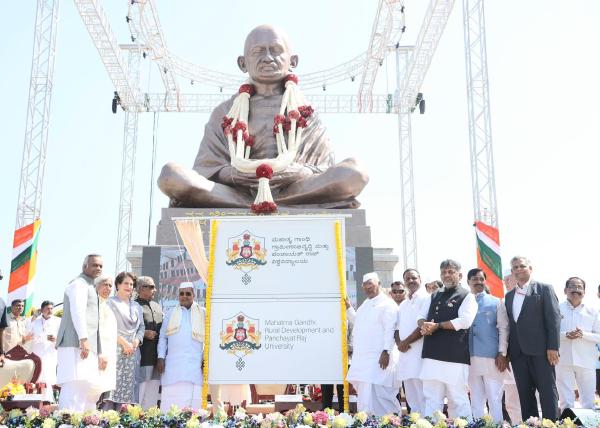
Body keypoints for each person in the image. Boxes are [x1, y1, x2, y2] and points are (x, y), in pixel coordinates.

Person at [158, 25, 368, 209]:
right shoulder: (225, 112)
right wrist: (233, 174)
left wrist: (298, 172)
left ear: (293, 61)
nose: (268, 57)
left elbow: (323, 168)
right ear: (242, 63)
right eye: (258, 51)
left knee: (353, 173)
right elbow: (206, 169)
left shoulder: (304, 111)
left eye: (276, 50)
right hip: (235, 191)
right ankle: (260, 204)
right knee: (171, 175)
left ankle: (260, 205)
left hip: (295, 189)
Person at [418, 259, 477, 419]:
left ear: (460, 275)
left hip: (454, 356)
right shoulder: (433, 295)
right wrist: (424, 325)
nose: (446, 275)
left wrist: (438, 326)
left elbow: (465, 321)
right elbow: (421, 316)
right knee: (431, 398)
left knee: (458, 399)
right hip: (431, 355)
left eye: (451, 272)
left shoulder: (467, 296)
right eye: (443, 272)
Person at [504, 256, 561, 421]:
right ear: (512, 271)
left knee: (547, 391)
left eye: (522, 266)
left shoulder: (544, 289)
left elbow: (553, 320)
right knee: (525, 394)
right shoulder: (509, 296)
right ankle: (530, 424)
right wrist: (507, 353)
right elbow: (510, 326)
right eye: (515, 267)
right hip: (518, 354)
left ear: (530, 268)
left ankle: (551, 424)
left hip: (542, 352)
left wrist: (553, 347)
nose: (519, 269)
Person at [346, 272, 400, 416]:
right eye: (365, 285)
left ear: (379, 284)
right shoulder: (365, 305)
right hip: (364, 360)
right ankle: (367, 421)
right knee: (365, 397)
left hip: (380, 358)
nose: (368, 287)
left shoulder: (387, 304)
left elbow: (390, 329)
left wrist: (386, 352)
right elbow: (358, 322)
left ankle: (389, 422)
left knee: (381, 395)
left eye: (371, 283)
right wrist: (349, 308)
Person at [56, 254, 104, 411]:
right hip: (75, 343)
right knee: (73, 385)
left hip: (85, 345)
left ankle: (79, 421)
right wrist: (83, 339)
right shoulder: (79, 284)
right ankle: (66, 420)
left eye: (101, 266)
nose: (98, 268)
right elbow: (78, 311)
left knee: (84, 386)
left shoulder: (91, 286)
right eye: (94, 265)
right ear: (85, 266)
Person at [467, 268, 509, 423]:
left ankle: (496, 425)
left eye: (481, 279)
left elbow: (503, 328)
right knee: (476, 399)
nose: (478, 282)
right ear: (468, 282)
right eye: (474, 279)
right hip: (469, 358)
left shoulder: (496, 302)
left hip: (492, 358)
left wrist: (502, 353)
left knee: (494, 398)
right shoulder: (464, 302)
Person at [157, 282, 205, 411]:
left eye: (188, 293)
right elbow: (163, 337)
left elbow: (208, 339)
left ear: (193, 295)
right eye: (181, 293)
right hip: (173, 365)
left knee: (193, 405)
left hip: (194, 365)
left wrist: (205, 358)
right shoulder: (170, 313)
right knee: (170, 404)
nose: (184, 296)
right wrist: (160, 357)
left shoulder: (203, 313)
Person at [556, 277, 600, 410]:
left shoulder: (593, 311)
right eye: (572, 287)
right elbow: (549, 334)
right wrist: (565, 335)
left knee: (588, 401)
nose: (576, 290)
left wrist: (583, 335)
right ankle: (566, 421)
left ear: (584, 292)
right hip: (562, 359)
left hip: (587, 361)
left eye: (580, 287)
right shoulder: (556, 309)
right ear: (565, 290)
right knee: (565, 401)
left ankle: (589, 422)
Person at [103, 272, 144, 409]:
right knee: (111, 388)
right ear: (118, 285)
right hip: (115, 349)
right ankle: (107, 417)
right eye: (126, 283)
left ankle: (125, 417)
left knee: (129, 392)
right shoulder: (109, 303)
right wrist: (124, 343)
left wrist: (136, 341)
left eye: (131, 284)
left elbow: (141, 327)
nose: (129, 286)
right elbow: (105, 327)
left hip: (132, 352)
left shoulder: (137, 306)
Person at [394, 268, 429, 414]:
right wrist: (399, 344)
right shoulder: (403, 304)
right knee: (411, 395)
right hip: (405, 354)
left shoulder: (426, 299)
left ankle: (426, 422)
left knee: (423, 394)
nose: (410, 281)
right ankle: (415, 421)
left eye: (413, 278)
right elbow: (397, 328)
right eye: (407, 279)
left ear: (420, 279)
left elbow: (424, 325)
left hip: (420, 353)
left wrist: (405, 342)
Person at [135, 276, 163, 409]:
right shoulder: (134, 306)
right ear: (141, 288)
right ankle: (135, 417)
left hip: (157, 358)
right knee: (140, 390)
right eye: (151, 287)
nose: (155, 290)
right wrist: (144, 333)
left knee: (153, 391)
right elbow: (127, 329)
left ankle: (149, 418)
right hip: (142, 357)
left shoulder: (157, 306)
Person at [29, 300, 60, 400]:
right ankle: (35, 399)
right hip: (37, 352)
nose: (50, 310)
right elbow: (28, 334)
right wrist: (34, 316)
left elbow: (62, 336)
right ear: (42, 310)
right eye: (47, 308)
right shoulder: (35, 321)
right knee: (37, 374)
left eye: (51, 308)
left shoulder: (58, 321)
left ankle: (47, 400)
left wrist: (56, 339)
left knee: (48, 376)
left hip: (50, 353)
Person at [95, 275, 118, 408]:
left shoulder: (107, 306)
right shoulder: (93, 305)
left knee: (102, 391)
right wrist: (100, 353)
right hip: (97, 353)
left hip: (108, 355)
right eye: (105, 284)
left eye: (110, 286)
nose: (108, 288)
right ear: (96, 286)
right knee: (93, 391)